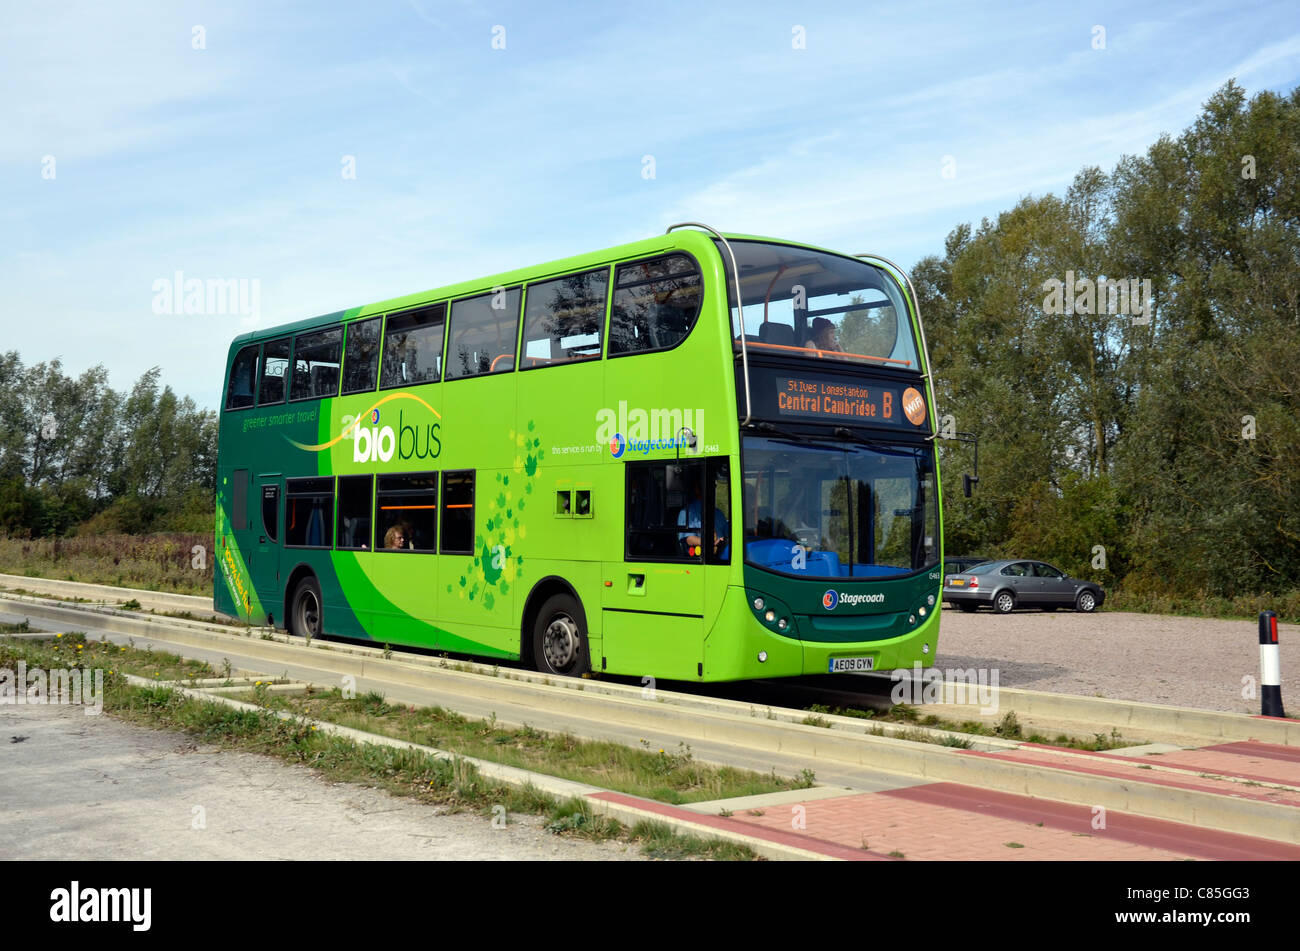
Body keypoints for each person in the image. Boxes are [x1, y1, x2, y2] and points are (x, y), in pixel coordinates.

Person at [677, 474, 729, 557]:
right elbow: (689, 539)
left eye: (713, 486)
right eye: (708, 486)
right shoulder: (687, 513)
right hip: (701, 558)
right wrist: (711, 543)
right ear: (697, 489)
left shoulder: (718, 513)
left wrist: (724, 540)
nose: (712, 490)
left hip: (723, 556)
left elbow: (728, 533)